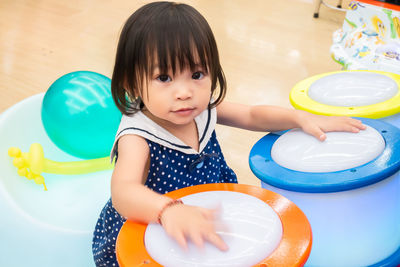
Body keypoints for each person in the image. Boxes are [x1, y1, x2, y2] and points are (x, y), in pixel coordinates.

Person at [92, 2, 365, 266]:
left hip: (208, 216)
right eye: (164, 78)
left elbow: (251, 115)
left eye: (197, 74)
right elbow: (123, 191)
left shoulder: (200, 108)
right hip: (153, 230)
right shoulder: (138, 136)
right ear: (131, 83)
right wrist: (168, 210)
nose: (185, 92)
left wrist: (299, 118)